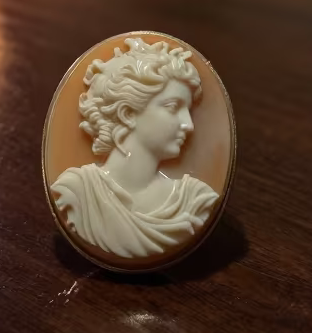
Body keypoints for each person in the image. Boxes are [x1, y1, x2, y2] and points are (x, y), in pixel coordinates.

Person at [51, 38, 218, 259]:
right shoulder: (75, 193)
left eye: (187, 110)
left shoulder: (194, 201)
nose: (188, 125)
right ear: (127, 114)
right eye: (172, 107)